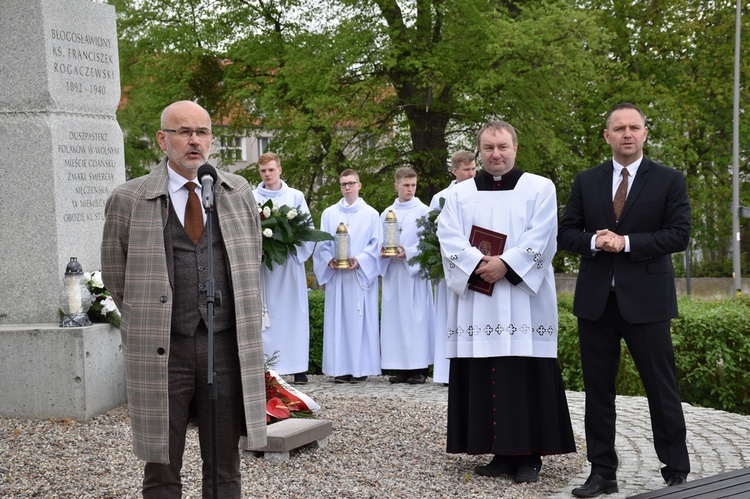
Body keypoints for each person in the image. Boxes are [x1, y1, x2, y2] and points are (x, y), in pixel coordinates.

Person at [101, 100, 266, 498]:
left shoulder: (236, 190)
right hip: (164, 349)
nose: (194, 141)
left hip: (224, 345)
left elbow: (251, 257)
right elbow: (115, 275)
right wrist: (154, 318)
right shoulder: (129, 199)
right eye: (183, 132)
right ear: (162, 139)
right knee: (161, 463)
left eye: (202, 132)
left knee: (225, 464)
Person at [558, 102, 691, 496]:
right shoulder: (587, 181)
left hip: (647, 302)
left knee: (661, 388)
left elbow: (678, 235)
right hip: (596, 303)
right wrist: (594, 241)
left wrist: (627, 242)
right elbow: (566, 234)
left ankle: (676, 470)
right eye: (619, 128)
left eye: (634, 127)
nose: (627, 134)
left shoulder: (669, 180)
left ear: (645, 133)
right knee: (598, 392)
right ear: (607, 136)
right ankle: (602, 473)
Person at [437, 121, 575, 484]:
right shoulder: (458, 194)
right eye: (487, 148)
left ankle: (530, 455)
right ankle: (498, 452)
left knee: (524, 371)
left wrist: (506, 264)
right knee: (484, 372)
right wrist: (478, 266)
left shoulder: (540, 188)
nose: (495, 154)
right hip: (479, 303)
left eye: (502, 146)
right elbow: (448, 236)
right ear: (479, 151)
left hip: (522, 302)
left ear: (515, 147)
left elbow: (543, 234)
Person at [313, 169, 382, 383]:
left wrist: (360, 259)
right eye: (344, 184)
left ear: (359, 185)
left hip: (359, 276)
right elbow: (322, 243)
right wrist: (328, 260)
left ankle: (360, 369)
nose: (347, 187)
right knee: (338, 322)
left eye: (351, 183)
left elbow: (376, 243)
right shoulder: (329, 213)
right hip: (337, 278)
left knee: (359, 322)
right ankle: (339, 368)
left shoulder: (370, 213)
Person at [253, 152, 313, 385]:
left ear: (280, 170)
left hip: (288, 264)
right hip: (265, 266)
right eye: (263, 171)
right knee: (266, 317)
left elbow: (307, 229)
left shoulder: (295, 196)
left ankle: (297, 367)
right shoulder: (252, 196)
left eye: (271, 170)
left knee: (293, 315)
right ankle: (267, 366)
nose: (267, 174)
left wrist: (292, 251)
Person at [379, 167, 434, 385]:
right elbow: (378, 239)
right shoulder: (386, 213)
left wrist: (409, 252)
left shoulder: (424, 211)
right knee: (395, 321)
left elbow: (429, 242)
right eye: (406, 185)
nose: (410, 189)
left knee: (415, 321)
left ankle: (419, 368)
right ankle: (400, 367)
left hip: (414, 275)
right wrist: (383, 251)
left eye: (413, 185)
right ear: (396, 186)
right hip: (393, 273)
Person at [429, 150, 476, 384]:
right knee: (447, 317)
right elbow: (427, 231)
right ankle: (445, 372)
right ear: (454, 170)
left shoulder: (482, 193)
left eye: (473, 169)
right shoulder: (440, 197)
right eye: (466, 170)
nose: (471, 173)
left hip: (473, 266)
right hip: (447, 267)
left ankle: (468, 368)